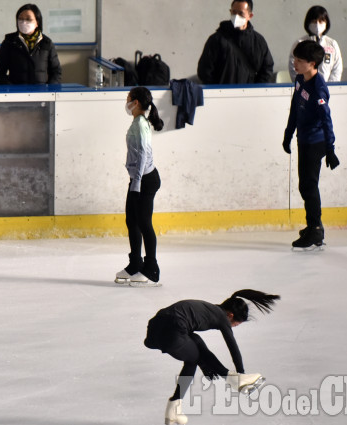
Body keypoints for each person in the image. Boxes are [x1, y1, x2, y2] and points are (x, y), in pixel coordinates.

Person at [144, 289, 280, 425]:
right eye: (235, 324)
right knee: (194, 355)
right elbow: (233, 346)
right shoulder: (222, 317)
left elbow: (196, 343)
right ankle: (234, 379)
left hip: (155, 330)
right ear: (230, 315)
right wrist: (241, 372)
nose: (232, 327)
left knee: (195, 342)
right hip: (173, 331)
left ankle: (174, 407)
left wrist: (204, 365)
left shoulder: (208, 310)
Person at [282, 40, 340, 249]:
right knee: (305, 185)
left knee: (309, 185)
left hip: (316, 142)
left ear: (312, 63)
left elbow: (326, 119)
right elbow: (295, 108)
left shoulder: (318, 88)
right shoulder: (300, 80)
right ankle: (313, 225)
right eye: (294, 58)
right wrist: (288, 133)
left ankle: (315, 229)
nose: (294, 63)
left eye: (299, 60)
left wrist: (330, 149)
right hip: (303, 140)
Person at [114, 87, 164, 287]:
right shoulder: (137, 122)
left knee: (144, 222)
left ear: (135, 103)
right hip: (138, 179)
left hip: (145, 180)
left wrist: (136, 184)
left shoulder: (141, 125)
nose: (126, 101)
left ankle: (151, 269)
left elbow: (144, 154)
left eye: (127, 98)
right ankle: (135, 263)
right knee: (131, 221)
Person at [197, 0, 274, 84]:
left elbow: (267, 69)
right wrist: (216, 91)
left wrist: (255, 90)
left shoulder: (258, 41)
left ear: (250, 16)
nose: (236, 16)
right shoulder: (216, 39)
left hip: (249, 95)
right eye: (233, 12)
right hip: (221, 94)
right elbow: (204, 70)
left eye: (241, 13)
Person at [0, 4, 62, 84]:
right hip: (16, 93)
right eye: (20, 19)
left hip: (41, 93)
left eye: (28, 19)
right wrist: (10, 89)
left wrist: (49, 90)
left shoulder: (46, 42)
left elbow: (56, 71)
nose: (24, 22)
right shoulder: (10, 41)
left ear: (37, 22)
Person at [288, 5, 343, 83]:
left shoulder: (332, 44)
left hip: (327, 87)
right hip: (305, 87)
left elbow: (337, 68)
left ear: (326, 23)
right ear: (308, 23)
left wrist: (330, 86)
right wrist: (302, 84)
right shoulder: (300, 43)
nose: (317, 25)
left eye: (321, 21)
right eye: (314, 21)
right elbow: (293, 66)